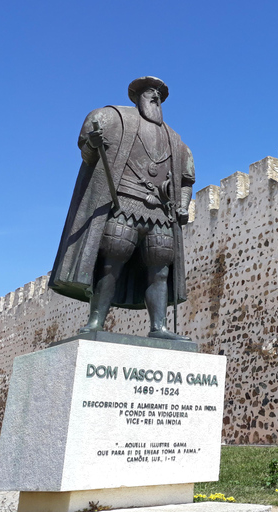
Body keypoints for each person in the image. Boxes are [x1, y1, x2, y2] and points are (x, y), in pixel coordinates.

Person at [50, 76, 194, 340]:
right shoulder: (115, 120)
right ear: (137, 96)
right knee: (112, 259)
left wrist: (183, 206)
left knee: (160, 268)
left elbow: (186, 181)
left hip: (160, 213)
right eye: (149, 92)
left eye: (158, 94)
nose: (154, 97)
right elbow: (89, 152)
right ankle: (96, 321)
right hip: (124, 203)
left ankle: (158, 327)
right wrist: (92, 144)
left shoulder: (176, 140)